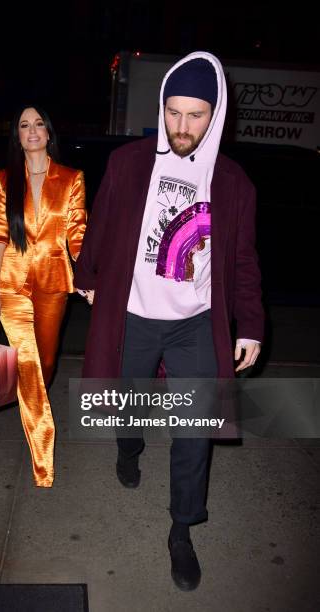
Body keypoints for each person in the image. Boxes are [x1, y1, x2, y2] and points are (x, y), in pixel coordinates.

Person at [75, 51, 263, 590]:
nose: (183, 127)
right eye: (174, 112)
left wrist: (249, 324)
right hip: (134, 313)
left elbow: (244, 261)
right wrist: (87, 274)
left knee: (193, 432)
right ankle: (129, 445)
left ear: (215, 114)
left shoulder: (233, 183)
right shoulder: (130, 163)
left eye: (196, 114)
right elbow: (102, 223)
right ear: (162, 109)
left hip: (196, 325)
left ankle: (182, 530)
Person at [0, 104, 86, 488]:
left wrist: (89, 277)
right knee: (28, 363)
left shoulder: (72, 178)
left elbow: (77, 233)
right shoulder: (3, 178)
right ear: (17, 135)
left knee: (45, 362)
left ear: (48, 133)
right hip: (12, 282)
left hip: (54, 282)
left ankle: (32, 394)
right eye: (24, 125)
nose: (31, 131)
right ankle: (43, 464)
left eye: (38, 124)